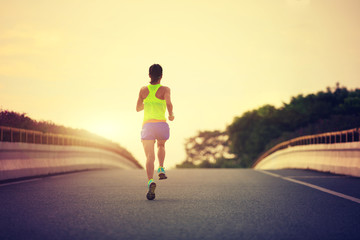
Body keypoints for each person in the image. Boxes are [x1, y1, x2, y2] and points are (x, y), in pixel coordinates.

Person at [136, 64, 174, 200]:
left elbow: (138, 108)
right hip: (161, 125)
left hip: (148, 126)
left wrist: (148, 103)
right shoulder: (165, 89)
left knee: (149, 157)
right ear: (161, 76)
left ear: (149, 75)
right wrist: (171, 114)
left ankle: (150, 181)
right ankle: (162, 168)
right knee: (161, 145)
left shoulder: (143, 90)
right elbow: (169, 103)